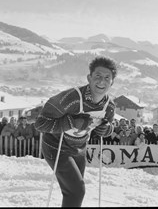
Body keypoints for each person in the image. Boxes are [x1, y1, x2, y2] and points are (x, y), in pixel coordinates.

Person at [34, 56, 118, 207]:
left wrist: (106, 129)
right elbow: (40, 124)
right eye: (97, 76)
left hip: (79, 149)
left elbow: (109, 126)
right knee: (77, 191)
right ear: (89, 77)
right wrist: (72, 122)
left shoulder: (109, 106)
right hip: (56, 147)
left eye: (107, 78)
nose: (101, 81)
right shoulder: (70, 98)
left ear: (112, 82)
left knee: (72, 192)